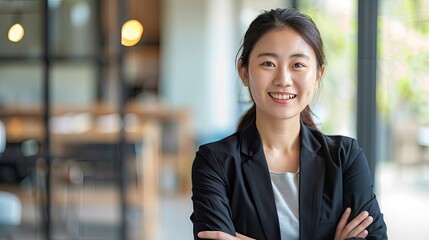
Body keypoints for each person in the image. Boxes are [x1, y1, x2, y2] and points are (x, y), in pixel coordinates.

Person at [190, 8, 387, 240]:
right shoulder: (215, 162)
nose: (283, 79)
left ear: (318, 75)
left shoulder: (346, 158)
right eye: (268, 64)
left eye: (298, 65)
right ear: (244, 72)